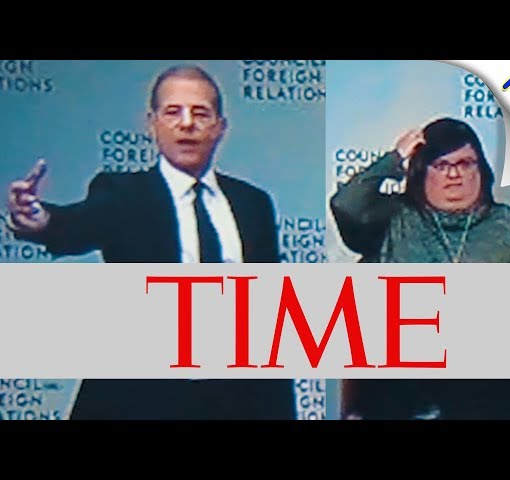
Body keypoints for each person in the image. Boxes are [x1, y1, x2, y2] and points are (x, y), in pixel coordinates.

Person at [6, 65, 295, 420]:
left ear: (221, 127)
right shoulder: (123, 193)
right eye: (173, 112)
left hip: (234, 402)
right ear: (152, 124)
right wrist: (41, 220)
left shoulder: (252, 204)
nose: (187, 124)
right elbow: (79, 223)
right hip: (140, 402)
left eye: (201, 113)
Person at [330, 117, 510, 420]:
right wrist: (395, 159)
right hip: (398, 395)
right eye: (441, 165)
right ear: (421, 171)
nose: (454, 175)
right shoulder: (393, 218)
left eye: (465, 164)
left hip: (485, 397)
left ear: (481, 170)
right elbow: (346, 204)